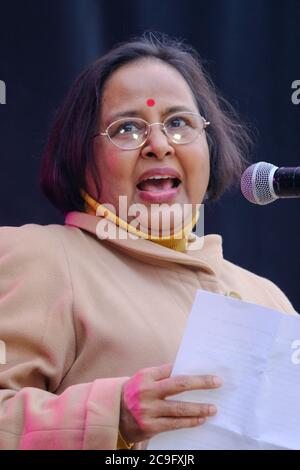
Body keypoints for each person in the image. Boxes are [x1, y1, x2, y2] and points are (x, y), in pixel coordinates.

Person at [0, 32, 296, 450]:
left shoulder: (265, 297)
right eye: (127, 128)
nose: (158, 145)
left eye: (178, 123)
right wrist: (113, 415)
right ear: (81, 157)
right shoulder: (40, 259)